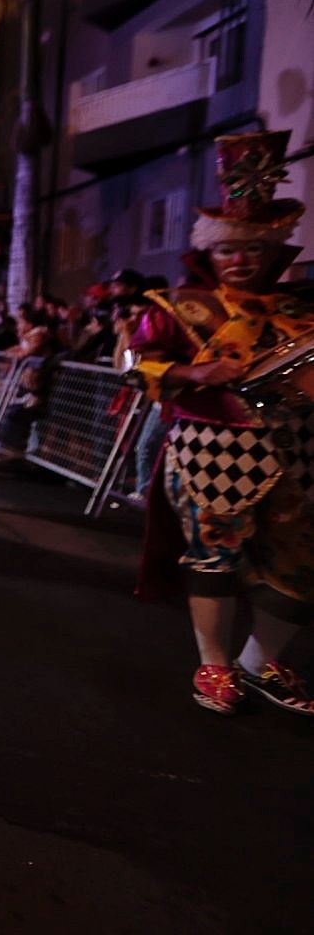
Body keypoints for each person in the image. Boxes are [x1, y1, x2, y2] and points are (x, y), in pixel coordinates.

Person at [125, 131, 314, 717]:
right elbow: (140, 368)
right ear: (210, 252)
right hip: (211, 446)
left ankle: (262, 662)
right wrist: (198, 372)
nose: (241, 258)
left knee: (300, 560)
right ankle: (214, 663)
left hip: (296, 447)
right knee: (214, 555)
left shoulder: (301, 311)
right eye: (229, 249)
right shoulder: (178, 306)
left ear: (274, 251)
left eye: (252, 249)